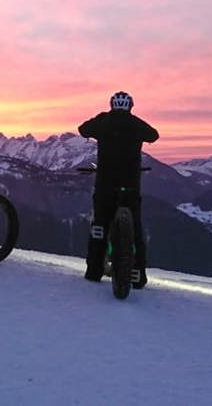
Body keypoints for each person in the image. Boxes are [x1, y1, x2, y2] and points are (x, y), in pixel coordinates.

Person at [78, 91, 159, 288]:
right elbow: (153, 135)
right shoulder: (136, 123)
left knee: (99, 225)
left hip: (105, 181)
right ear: (130, 106)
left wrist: (101, 124)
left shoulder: (103, 120)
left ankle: (94, 271)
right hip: (131, 182)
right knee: (136, 229)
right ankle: (138, 275)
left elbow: (83, 129)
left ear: (111, 105)